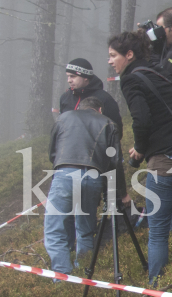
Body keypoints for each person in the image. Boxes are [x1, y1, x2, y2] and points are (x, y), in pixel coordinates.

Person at [110, 30, 172, 285]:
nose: (110, 61)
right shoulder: (157, 71)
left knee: (157, 231)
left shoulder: (130, 79)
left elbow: (141, 120)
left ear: (128, 55)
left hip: (164, 161)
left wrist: (141, 149)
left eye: (113, 56)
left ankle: (155, 289)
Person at [44, 96, 122, 275]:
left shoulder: (64, 117)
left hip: (65, 173)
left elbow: (52, 151)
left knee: (55, 230)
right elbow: (115, 162)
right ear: (100, 110)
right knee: (86, 229)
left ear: (80, 107)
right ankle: (84, 272)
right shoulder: (109, 123)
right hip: (93, 176)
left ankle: (62, 276)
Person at [58, 58, 123, 138]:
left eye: (73, 76)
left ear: (85, 77)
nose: (69, 80)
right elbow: (60, 126)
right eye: (68, 76)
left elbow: (116, 132)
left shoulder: (104, 99)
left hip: (95, 149)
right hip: (68, 148)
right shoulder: (65, 97)